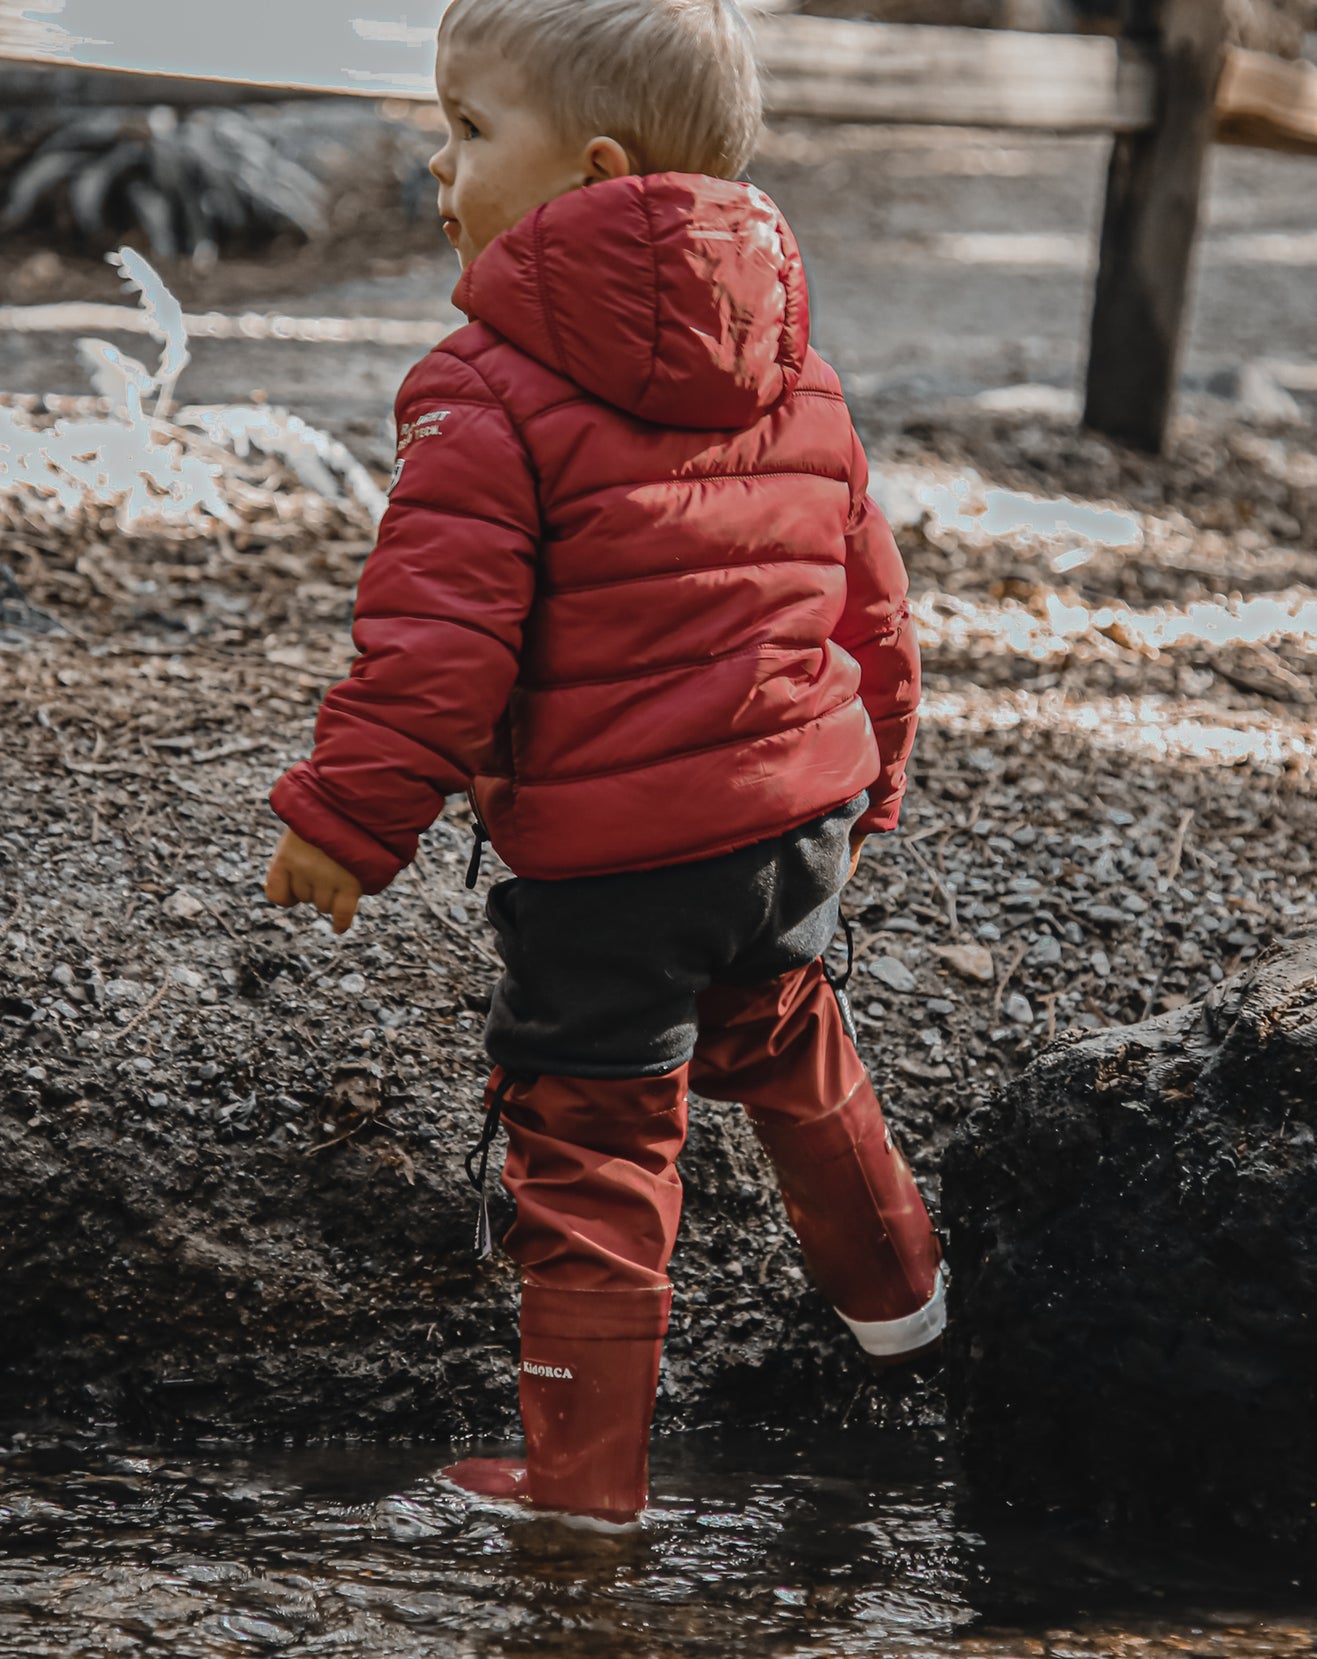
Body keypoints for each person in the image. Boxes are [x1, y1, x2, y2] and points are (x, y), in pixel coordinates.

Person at [264, 0, 944, 1530]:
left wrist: (345, 824)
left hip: (613, 866)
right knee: (780, 1032)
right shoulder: (792, 362)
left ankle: (580, 1505)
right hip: (790, 819)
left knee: (590, 1145)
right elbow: (870, 602)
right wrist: (875, 777)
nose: (432, 162)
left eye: (465, 127)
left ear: (593, 169)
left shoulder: (483, 389)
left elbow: (434, 649)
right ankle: (906, 1310)